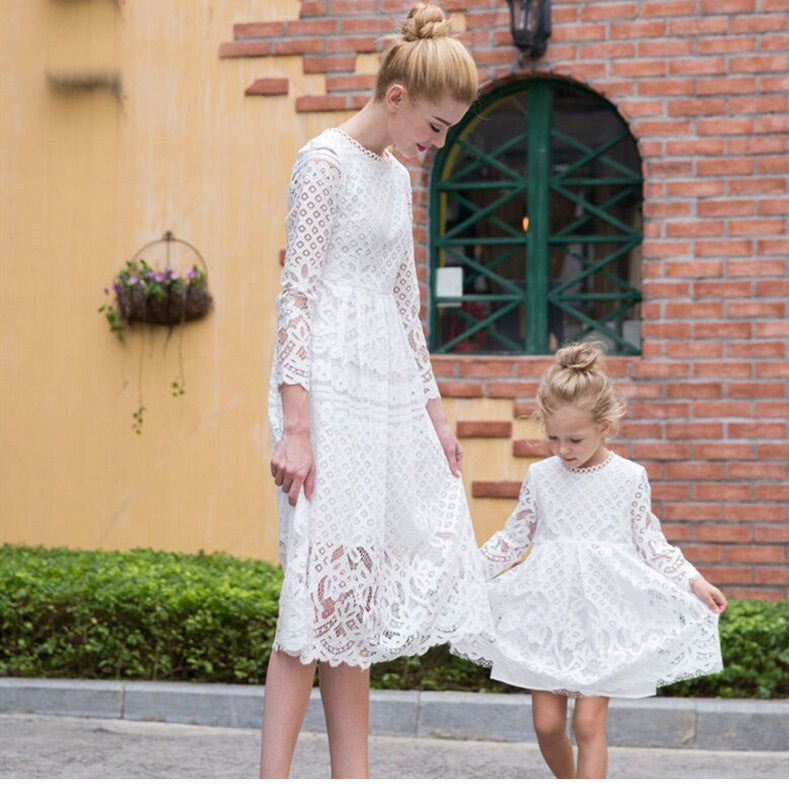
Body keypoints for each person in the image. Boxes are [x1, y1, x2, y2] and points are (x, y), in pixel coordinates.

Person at [260, 3, 492, 779]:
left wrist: (435, 414)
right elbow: (295, 292)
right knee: (314, 592)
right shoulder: (321, 163)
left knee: (351, 602)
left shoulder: (396, 180)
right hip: (322, 391)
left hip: (385, 392)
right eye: (434, 125)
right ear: (396, 98)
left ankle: (354, 784)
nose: (438, 142)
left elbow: (404, 305)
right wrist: (298, 424)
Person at [456, 341, 726, 779]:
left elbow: (651, 543)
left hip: (605, 617)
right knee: (546, 726)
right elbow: (512, 538)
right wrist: (466, 573)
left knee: (586, 723)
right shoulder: (541, 476)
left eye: (575, 439)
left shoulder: (629, 478)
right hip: (546, 613)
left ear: (605, 426)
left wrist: (693, 581)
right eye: (554, 438)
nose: (563, 449)